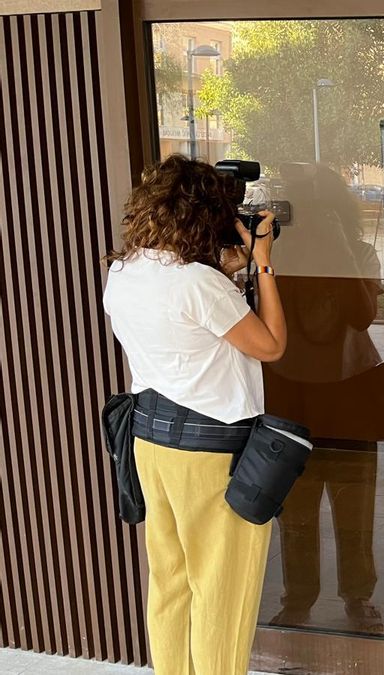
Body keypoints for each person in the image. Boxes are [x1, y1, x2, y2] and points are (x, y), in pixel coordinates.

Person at [103, 154, 286, 674]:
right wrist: (263, 262)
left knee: (170, 583)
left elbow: (183, 324)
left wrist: (225, 269)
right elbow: (270, 345)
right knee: (220, 590)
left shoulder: (124, 271)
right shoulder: (197, 284)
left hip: (149, 442)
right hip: (209, 454)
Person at [261, 163, 384, 634]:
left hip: (348, 393)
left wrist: (338, 251)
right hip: (291, 397)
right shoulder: (277, 257)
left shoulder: (357, 253)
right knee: (294, 507)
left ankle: (357, 595)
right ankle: (299, 598)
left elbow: (362, 314)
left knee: (355, 505)